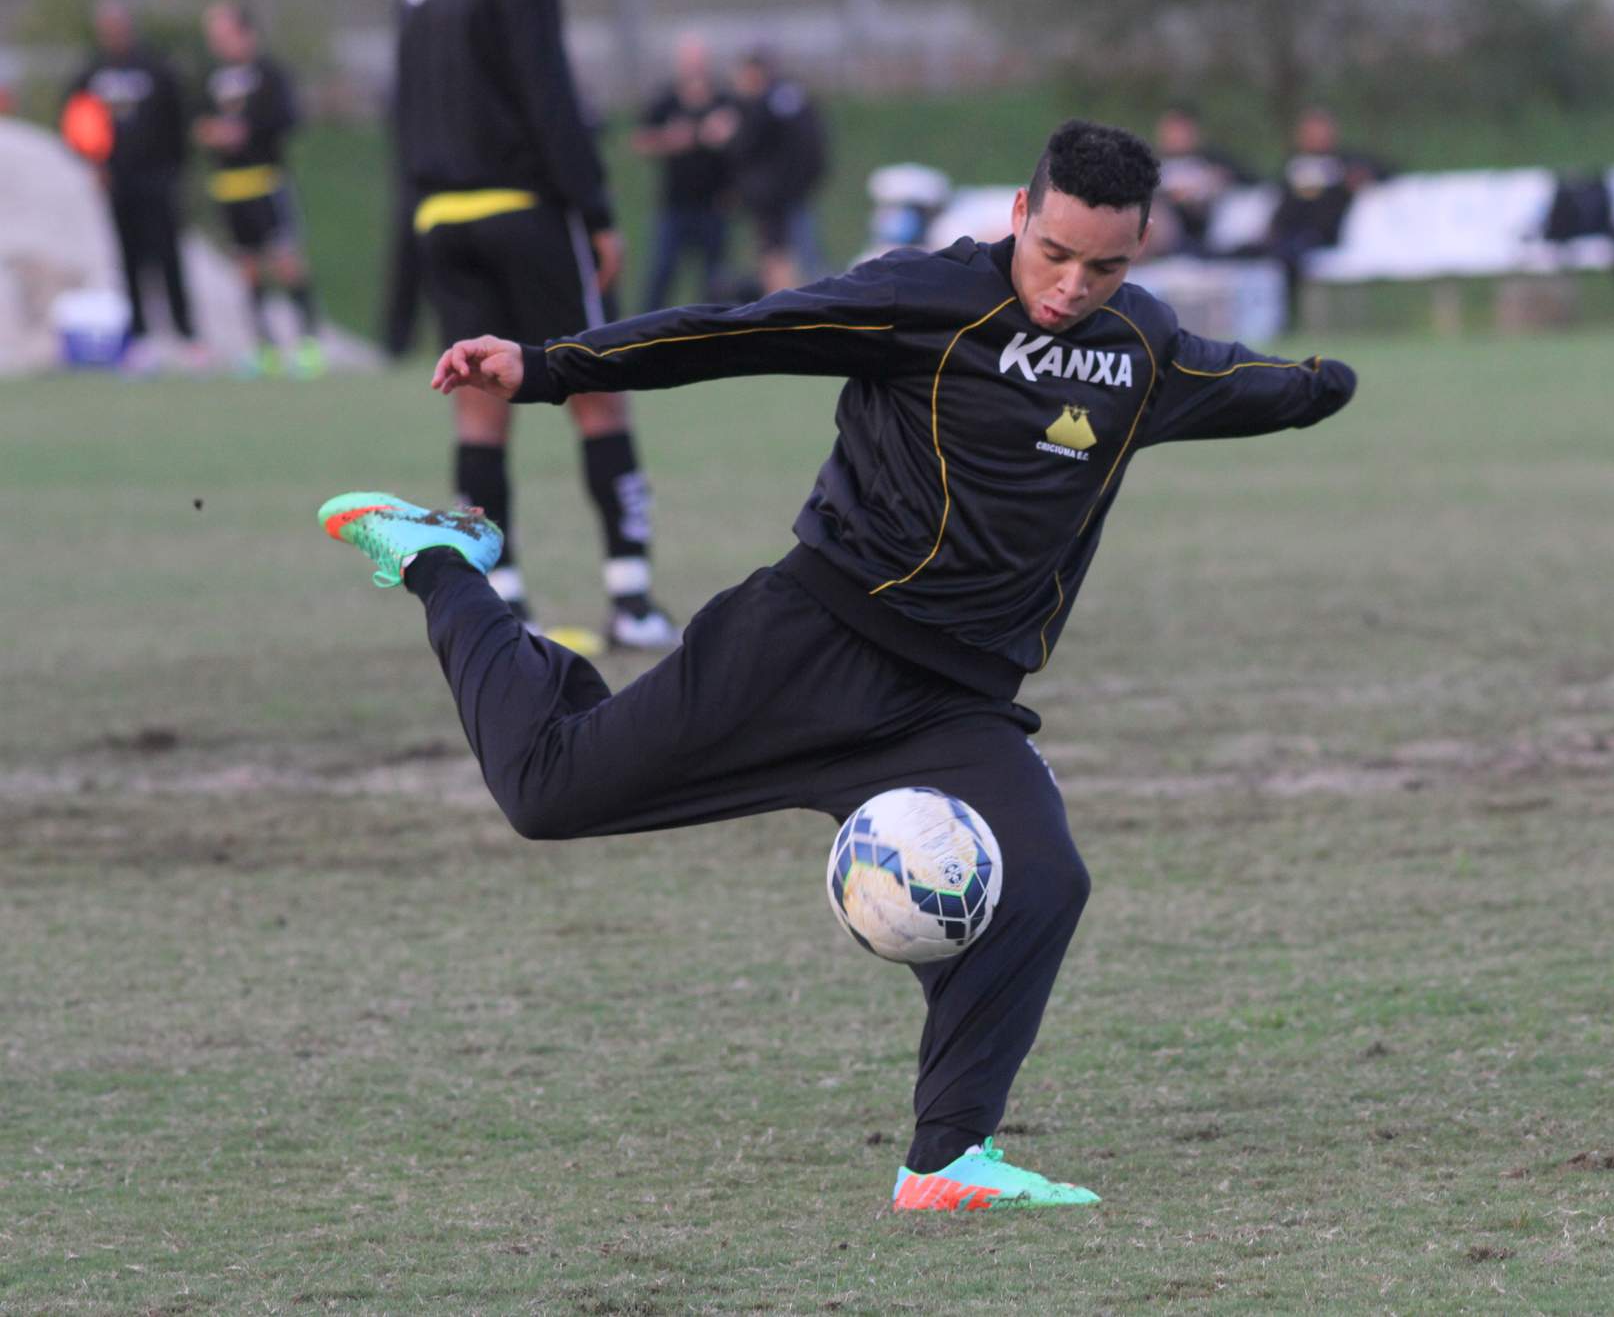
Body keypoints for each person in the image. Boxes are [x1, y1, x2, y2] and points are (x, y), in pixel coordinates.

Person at [315, 119, 1357, 1211]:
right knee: (545, 792)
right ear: (1018, 212)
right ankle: (439, 561)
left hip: (953, 702)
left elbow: (1250, 382)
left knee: (1044, 883)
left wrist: (1324, 385)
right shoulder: (922, 298)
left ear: (1139, 251)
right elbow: (738, 332)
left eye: (1104, 267)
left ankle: (945, 1161)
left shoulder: (1139, 349)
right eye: (1054, 253)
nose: (1070, 287)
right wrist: (548, 366)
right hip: (807, 645)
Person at [392, 0, 678, 649]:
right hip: (526, 211)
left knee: (477, 414)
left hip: (441, 217)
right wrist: (595, 208)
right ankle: (632, 601)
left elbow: (403, 110)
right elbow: (545, 87)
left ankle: (503, 605)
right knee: (598, 391)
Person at [66, 0, 206, 375]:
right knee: (128, 260)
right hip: (118, 184)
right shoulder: (92, 72)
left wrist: (175, 171)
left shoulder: (155, 68)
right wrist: (93, 163)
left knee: (168, 257)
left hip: (157, 181)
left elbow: (178, 120)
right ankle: (140, 340)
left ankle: (187, 336)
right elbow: (76, 121)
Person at [196, 0, 324, 379]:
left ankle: (308, 345)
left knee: (286, 261)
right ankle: (264, 348)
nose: (217, 42)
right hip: (229, 187)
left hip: (266, 180)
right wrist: (211, 133)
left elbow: (287, 120)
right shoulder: (211, 78)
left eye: (223, 33)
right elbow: (198, 122)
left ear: (244, 32)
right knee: (247, 268)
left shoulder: (269, 73)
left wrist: (246, 133)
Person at [633, 33, 735, 310]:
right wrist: (672, 139)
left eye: (698, 60)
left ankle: (715, 326)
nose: (694, 67)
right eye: (688, 61)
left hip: (715, 204)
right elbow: (640, 141)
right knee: (661, 273)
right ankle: (648, 326)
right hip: (675, 204)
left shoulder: (723, 100)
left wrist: (725, 133)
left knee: (716, 278)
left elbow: (744, 138)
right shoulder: (665, 101)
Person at [724, 49, 827, 293]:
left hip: (779, 195)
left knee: (786, 257)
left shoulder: (767, 105)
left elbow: (747, 147)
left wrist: (728, 136)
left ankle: (799, 305)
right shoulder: (785, 98)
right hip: (783, 193)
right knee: (785, 254)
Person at [1264, 106, 1392, 305]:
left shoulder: (1345, 163)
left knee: (1289, 253)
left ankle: (1289, 309)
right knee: (1264, 252)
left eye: (1320, 132)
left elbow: (1385, 170)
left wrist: (1360, 177)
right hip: (1289, 233)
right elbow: (1283, 203)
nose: (1316, 138)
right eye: (1310, 132)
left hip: (1323, 234)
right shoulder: (1294, 165)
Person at [1150, 103, 1254, 257]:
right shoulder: (1150, 163)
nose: (1176, 137)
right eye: (1171, 130)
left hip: (1213, 228)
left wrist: (1218, 183)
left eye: (1181, 130)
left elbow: (1250, 183)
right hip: (1168, 230)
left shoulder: (1214, 161)